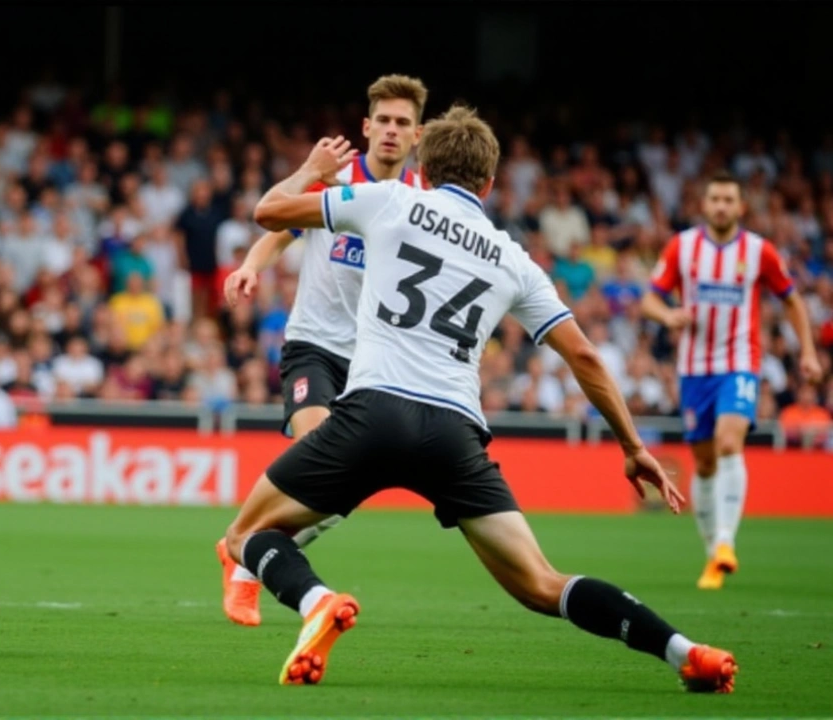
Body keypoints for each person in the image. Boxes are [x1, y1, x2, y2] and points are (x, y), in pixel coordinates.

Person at [224, 108, 737, 693]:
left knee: (246, 536)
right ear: (489, 185)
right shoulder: (513, 258)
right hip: (454, 433)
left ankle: (316, 602)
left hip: (374, 414)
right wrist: (632, 446)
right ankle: (684, 651)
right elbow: (586, 357)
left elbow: (269, 212)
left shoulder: (390, 200)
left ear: (424, 165)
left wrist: (309, 171)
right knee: (543, 584)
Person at [215, 74, 429, 627]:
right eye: (382, 119)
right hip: (314, 344)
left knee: (341, 484)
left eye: (402, 122)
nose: (390, 130)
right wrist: (249, 267)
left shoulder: (422, 198)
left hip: (375, 364)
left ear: (417, 135)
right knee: (320, 451)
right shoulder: (339, 182)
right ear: (366, 126)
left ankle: (242, 557)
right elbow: (278, 227)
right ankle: (248, 553)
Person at [640, 171, 821, 590]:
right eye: (715, 199)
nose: (721, 206)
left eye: (728, 200)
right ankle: (711, 555)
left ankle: (725, 542)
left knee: (727, 443)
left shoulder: (760, 252)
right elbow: (650, 297)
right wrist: (668, 314)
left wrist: (808, 351)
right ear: (704, 205)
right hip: (693, 370)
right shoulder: (682, 247)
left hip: (739, 362)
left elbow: (791, 299)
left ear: (741, 206)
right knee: (703, 463)